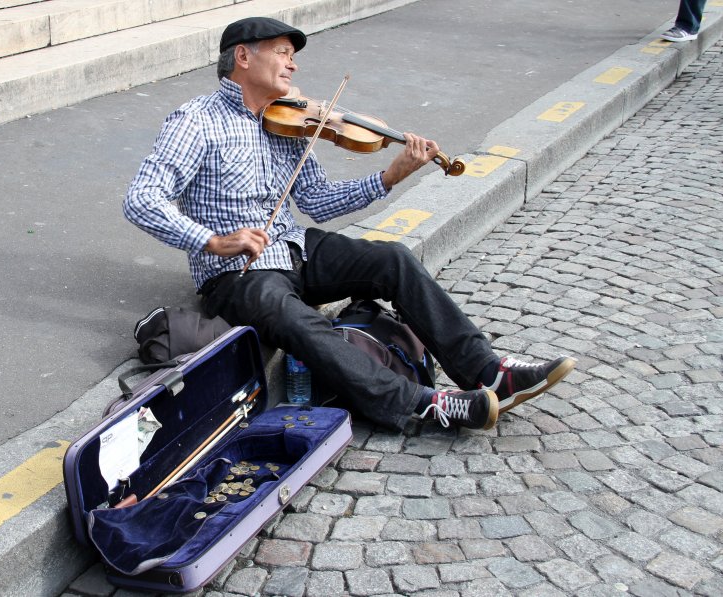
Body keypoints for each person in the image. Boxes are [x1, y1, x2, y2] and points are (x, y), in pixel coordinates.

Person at [123, 16, 576, 432]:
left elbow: (317, 200)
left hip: (296, 247)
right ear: (244, 56)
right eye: (282, 52)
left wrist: (389, 176)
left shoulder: (286, 119)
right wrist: (213, 241)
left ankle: (489, 372)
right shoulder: (196, 121)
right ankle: (420, 403)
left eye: (293, 56)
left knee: (392, 259)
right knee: (291, 316)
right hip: (238, 273)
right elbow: (141, 200)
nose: (292, 66)